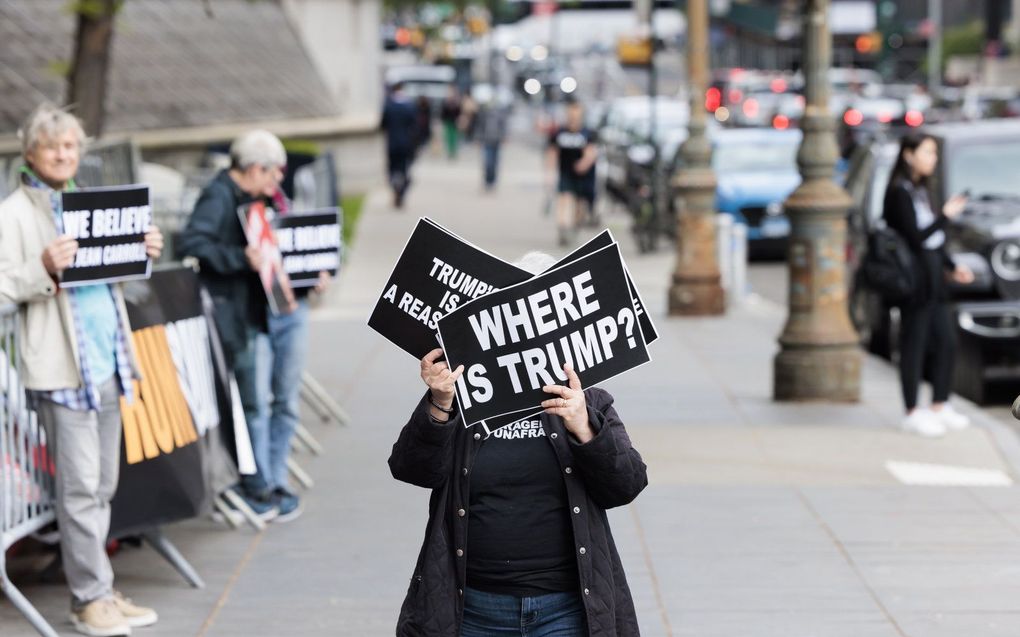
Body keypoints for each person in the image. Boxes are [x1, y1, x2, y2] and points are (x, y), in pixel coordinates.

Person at [388, 252, 647, 637]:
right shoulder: (464, 393)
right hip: (472, 608)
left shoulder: (587, 399)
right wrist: (440, 405)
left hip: (565, 610)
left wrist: (585, 428)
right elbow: (411, 468)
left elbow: (626, 484)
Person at [0, 103, 162, 636]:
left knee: (102, 485)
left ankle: (99, 590)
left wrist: (143, 251)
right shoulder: (14, 215)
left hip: (107, 361)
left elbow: (125, 284)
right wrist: (41, 269)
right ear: (31, 154)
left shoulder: (91, 205)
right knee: (79, 489)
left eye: (71, 146)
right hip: (61, 372)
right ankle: (88, 598)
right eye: (53, 147)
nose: (64, 155)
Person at [178, 130, 287, 519]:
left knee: (250, 403)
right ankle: (250, 483)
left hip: (242, 315)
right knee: (245, 405)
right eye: (274, 174)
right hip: (227, 319)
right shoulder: (219, 194)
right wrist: (241, 258)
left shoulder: (244, 197)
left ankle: (255, 480)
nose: (277, 183)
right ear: (256, 168)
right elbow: (192, 244)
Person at [883, 132, 974, 437]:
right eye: (927, 152)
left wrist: (952, 266)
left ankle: (940, 403)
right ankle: (911, 410)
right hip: (913, 282)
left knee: (946, 341)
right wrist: (946, 216)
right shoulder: (899, 192)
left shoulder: (923, 190)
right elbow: (916, 237)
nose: (932, 159)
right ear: (909, 155)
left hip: (934, 278)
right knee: (914, 344)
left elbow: (934, 243)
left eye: (934, 153)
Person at [252, 190, 333, 523]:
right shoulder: (237, 206)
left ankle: (277, 477)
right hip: (255, 314)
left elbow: (313, 255)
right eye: (270, 171)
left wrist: (318, 274)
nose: (276, 178)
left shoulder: (284, 206)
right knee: (257, 402)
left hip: (291, 308)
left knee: (286, 399)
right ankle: (261, 483)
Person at [546, 102, 598, 246]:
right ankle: (563, 230)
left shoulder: (587, 133)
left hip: (584, 176)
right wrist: (549, 174)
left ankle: (575, 226)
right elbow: (552, 152)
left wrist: (584, 163)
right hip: (566, 172)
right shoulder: (559, 133)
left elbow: (591, 152)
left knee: (580, 205)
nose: (573, 118)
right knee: (564, 199)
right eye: (571, 115)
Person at [382, 83, 418, 208]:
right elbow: (414, 125)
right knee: (403, 170)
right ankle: (401, 192)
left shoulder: (389, 106)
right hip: (405, 143)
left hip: (392, 143)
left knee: (392, 169)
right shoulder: (409, 106)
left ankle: (395, 189)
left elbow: (383, 124)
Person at [474, 95, 510, 190]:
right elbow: (480, 126)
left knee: (495, 162)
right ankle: (487, 180)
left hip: (496, 140)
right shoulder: (484, 114)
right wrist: (478, 138)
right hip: (487, 140)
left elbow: (504, 126)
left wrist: (504, 136)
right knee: (488, 162)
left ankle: (493, 181)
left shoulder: (500, 114)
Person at [440, 86, 463, 160]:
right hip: (448, 121)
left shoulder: (456, 102)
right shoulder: (446, 102)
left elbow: (459, 112)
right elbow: (443, 113)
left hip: (455, 122)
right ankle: (450, 152)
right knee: (448, 137)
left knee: (454, 138)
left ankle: (454, 152)